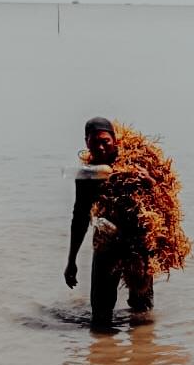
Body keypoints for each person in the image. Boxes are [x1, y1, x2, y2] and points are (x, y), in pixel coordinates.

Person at [64, 117, 154, 328]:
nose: (101, 147)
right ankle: (103, 345)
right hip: (107, 242)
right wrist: (71, 260)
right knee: (100, 313)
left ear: (115, 140)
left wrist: (149, 181)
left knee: (142, 312)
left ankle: (143, 347)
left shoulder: (136, 164)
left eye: (105, 141)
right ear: (86, 142)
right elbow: (80, 217)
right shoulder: (86, 176)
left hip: (137, 243)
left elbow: (161, 200)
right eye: (95, 142)